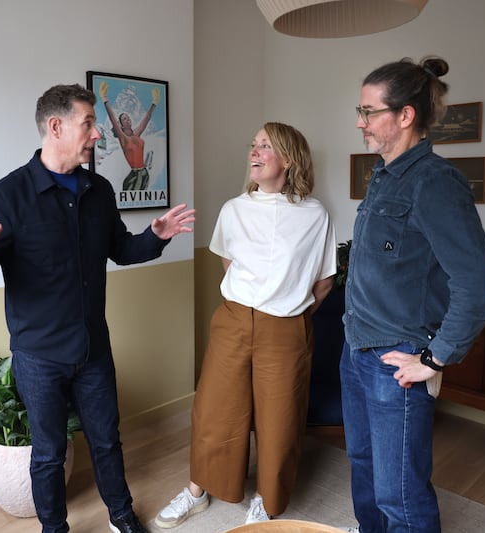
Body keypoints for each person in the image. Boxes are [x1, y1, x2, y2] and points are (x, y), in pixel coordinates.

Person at [0, 83, 195, 533]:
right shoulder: (9, 194)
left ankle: (122, 516)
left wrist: (156, 236)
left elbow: (121, 250)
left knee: (107, 441)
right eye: (89, 124)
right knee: (48, 453)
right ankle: (54, 528)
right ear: (56, 126)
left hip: (93, 350)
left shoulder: (100, 190)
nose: (97, 135)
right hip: (39, 357)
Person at [340, 57, 485, 533]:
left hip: (398, 361)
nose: (360, 121)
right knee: (365, 467)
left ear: (405, 115)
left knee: (401, 494)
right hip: (357, 349)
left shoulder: (435, 183)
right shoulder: (384, 174)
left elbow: (481, 284)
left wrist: (434, 360)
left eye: (369, 111)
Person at [154, 122, 337, 529]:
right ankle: (198, 489)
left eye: (265, 146)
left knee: (280, 419)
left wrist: (290, 312)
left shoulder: (315, 215)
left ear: (289, 159)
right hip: (234, 320)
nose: (254, 152)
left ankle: (266, 502)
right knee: (214, 410)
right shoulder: (234, 209)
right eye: (252, 144)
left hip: (286, 326)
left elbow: (324, 280)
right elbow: (229, 264)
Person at [98, 80, 158, 191]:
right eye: (124, 119)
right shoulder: (123, 138)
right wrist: (104, 98)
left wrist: (154, 103)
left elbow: (147, 118)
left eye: (128, 117)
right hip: (135, 175)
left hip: (144, 173)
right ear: (120, 124)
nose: (128, 119)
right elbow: (112, 117)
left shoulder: (136, 134)